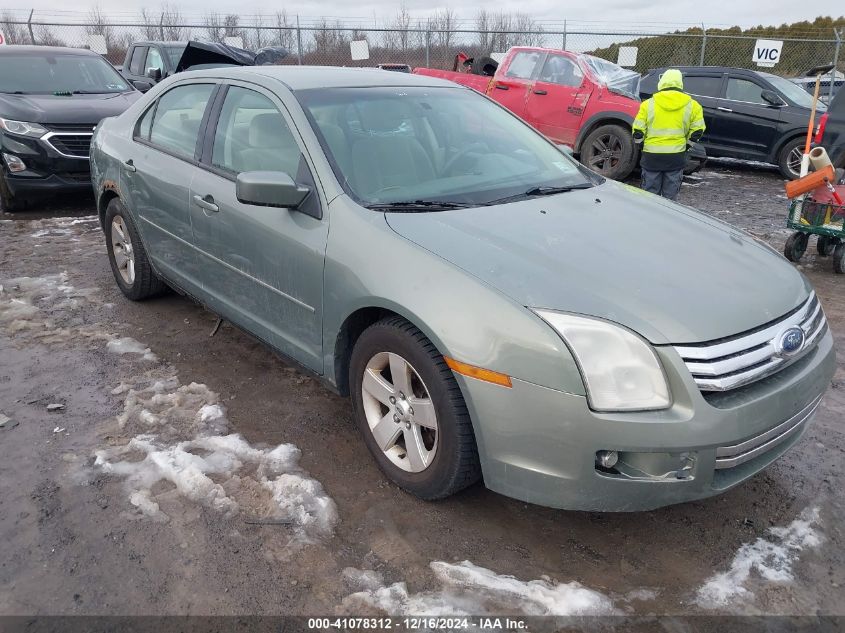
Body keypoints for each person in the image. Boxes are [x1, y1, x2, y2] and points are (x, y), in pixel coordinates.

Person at [632, 69, 706, 200]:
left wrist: (643, 146)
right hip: (676, 157)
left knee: (649, 198)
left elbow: (637, 132)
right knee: (670, 200)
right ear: (680, 83)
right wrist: (687, 146)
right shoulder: (693, 105)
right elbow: (697, 131)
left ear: (662, 82)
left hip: (651, 157)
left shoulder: (647, 104)